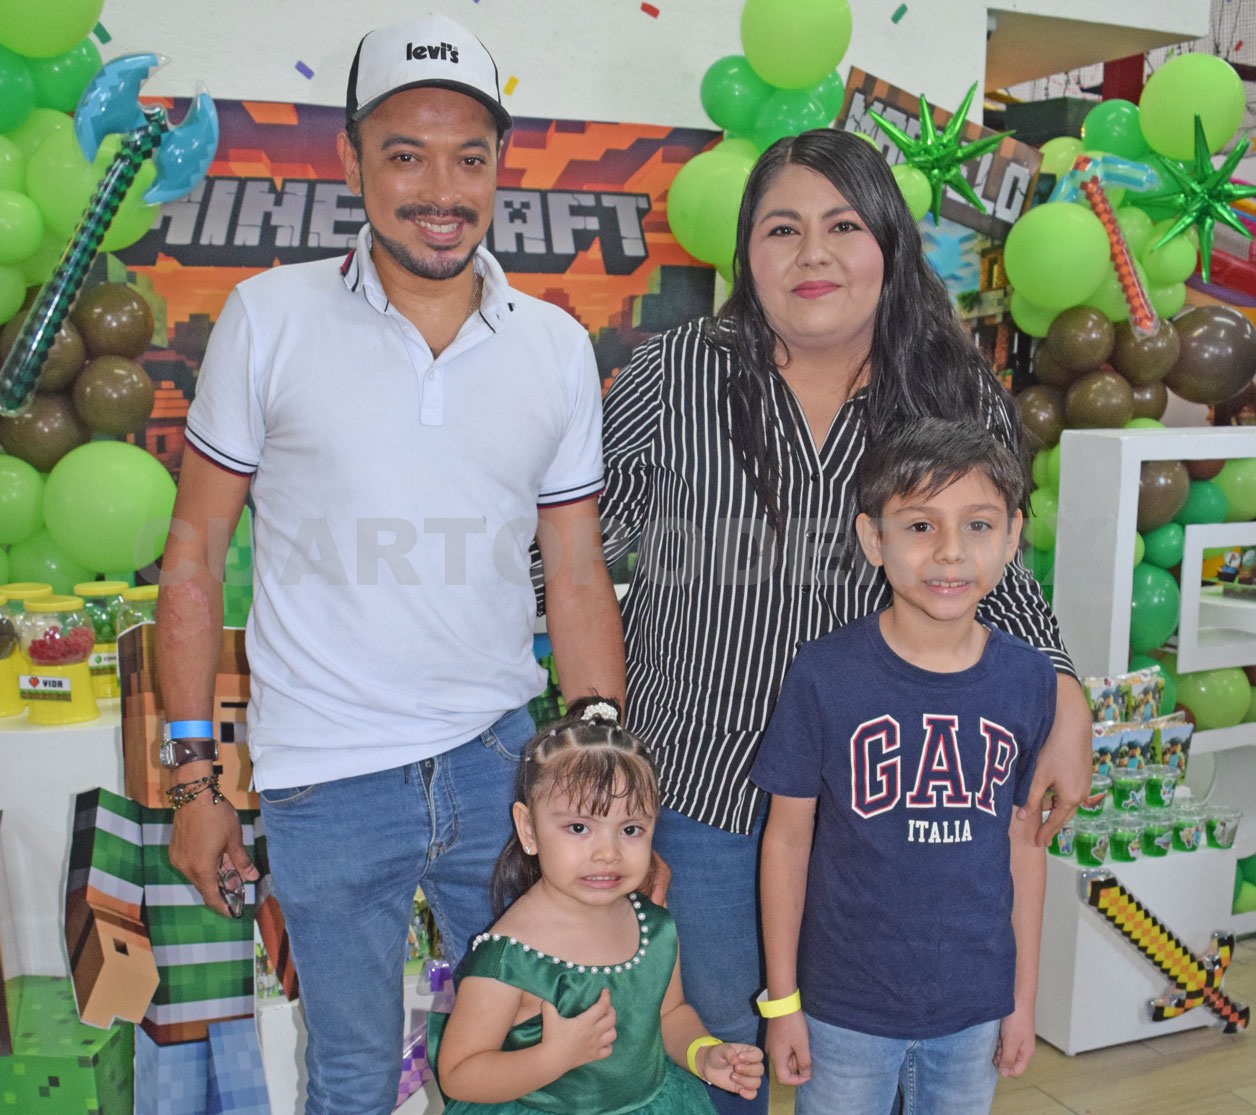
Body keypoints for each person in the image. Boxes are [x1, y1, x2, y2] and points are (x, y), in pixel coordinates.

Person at [154, 13, 624, 1115]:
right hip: (325, 777)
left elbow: (576, 567)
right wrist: (193, 781)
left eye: (468, 156)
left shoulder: (552, 344)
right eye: (405, 154)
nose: (439, 189)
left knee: (527, 1062)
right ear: (352, 158)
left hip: (499, 764)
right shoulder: (269, 317)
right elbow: (192, 554)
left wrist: (598, 760)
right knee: (352, 1074)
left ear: (499, 165)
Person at [598, 128, 1091, 1112]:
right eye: (780, 227)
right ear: (744, 251)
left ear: (888, 245)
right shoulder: (672, 374)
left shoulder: (948, 383)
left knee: (867, 1062)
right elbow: (570, 554)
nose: (810, 254)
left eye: (841, 224)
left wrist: (1066, 695)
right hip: (703, 791)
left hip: (885, 801)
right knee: (721, 1053)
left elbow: (1001, 573)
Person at [753, 419, 1053, 1114]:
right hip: (843, 1009)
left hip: (974, 1007)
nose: (951, 552)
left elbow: (1025, 848)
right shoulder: (824, 674)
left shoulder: (1029, 680)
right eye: (920, 526)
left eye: (978, 525)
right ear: (873, 539)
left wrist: (1022, 999)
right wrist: (782, 1001)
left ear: (1011, 536)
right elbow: (787, 841)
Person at [430, 698, 765, 1113]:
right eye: (578, 827)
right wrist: (553, 1058)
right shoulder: (506, 957)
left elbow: (670, 1014)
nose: (607, 852)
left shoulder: (654, 927)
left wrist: (702, 1053)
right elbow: (460, 1073)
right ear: (529, 829)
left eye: (630, 829)